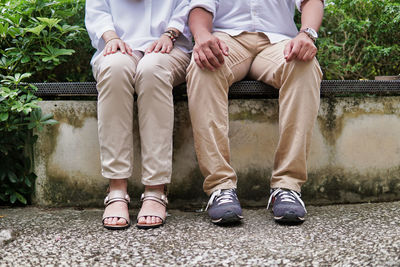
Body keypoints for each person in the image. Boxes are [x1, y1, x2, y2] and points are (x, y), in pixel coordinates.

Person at [187, 0, 324, 225]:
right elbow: (201, 5)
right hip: (227, 40)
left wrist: (306, 34)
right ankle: (220, 188)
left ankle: (287, 186)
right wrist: (201, 35)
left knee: (305, 67)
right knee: (203, 67)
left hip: (279, 42)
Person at [85, 0, 192, 230]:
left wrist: (170, 34)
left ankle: (156, 189)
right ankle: (116, 188)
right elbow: (97, 9)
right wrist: (111, 37)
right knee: (114, 69)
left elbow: (187, 5)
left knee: (152, 70)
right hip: (119, 45)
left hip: (171, 47)